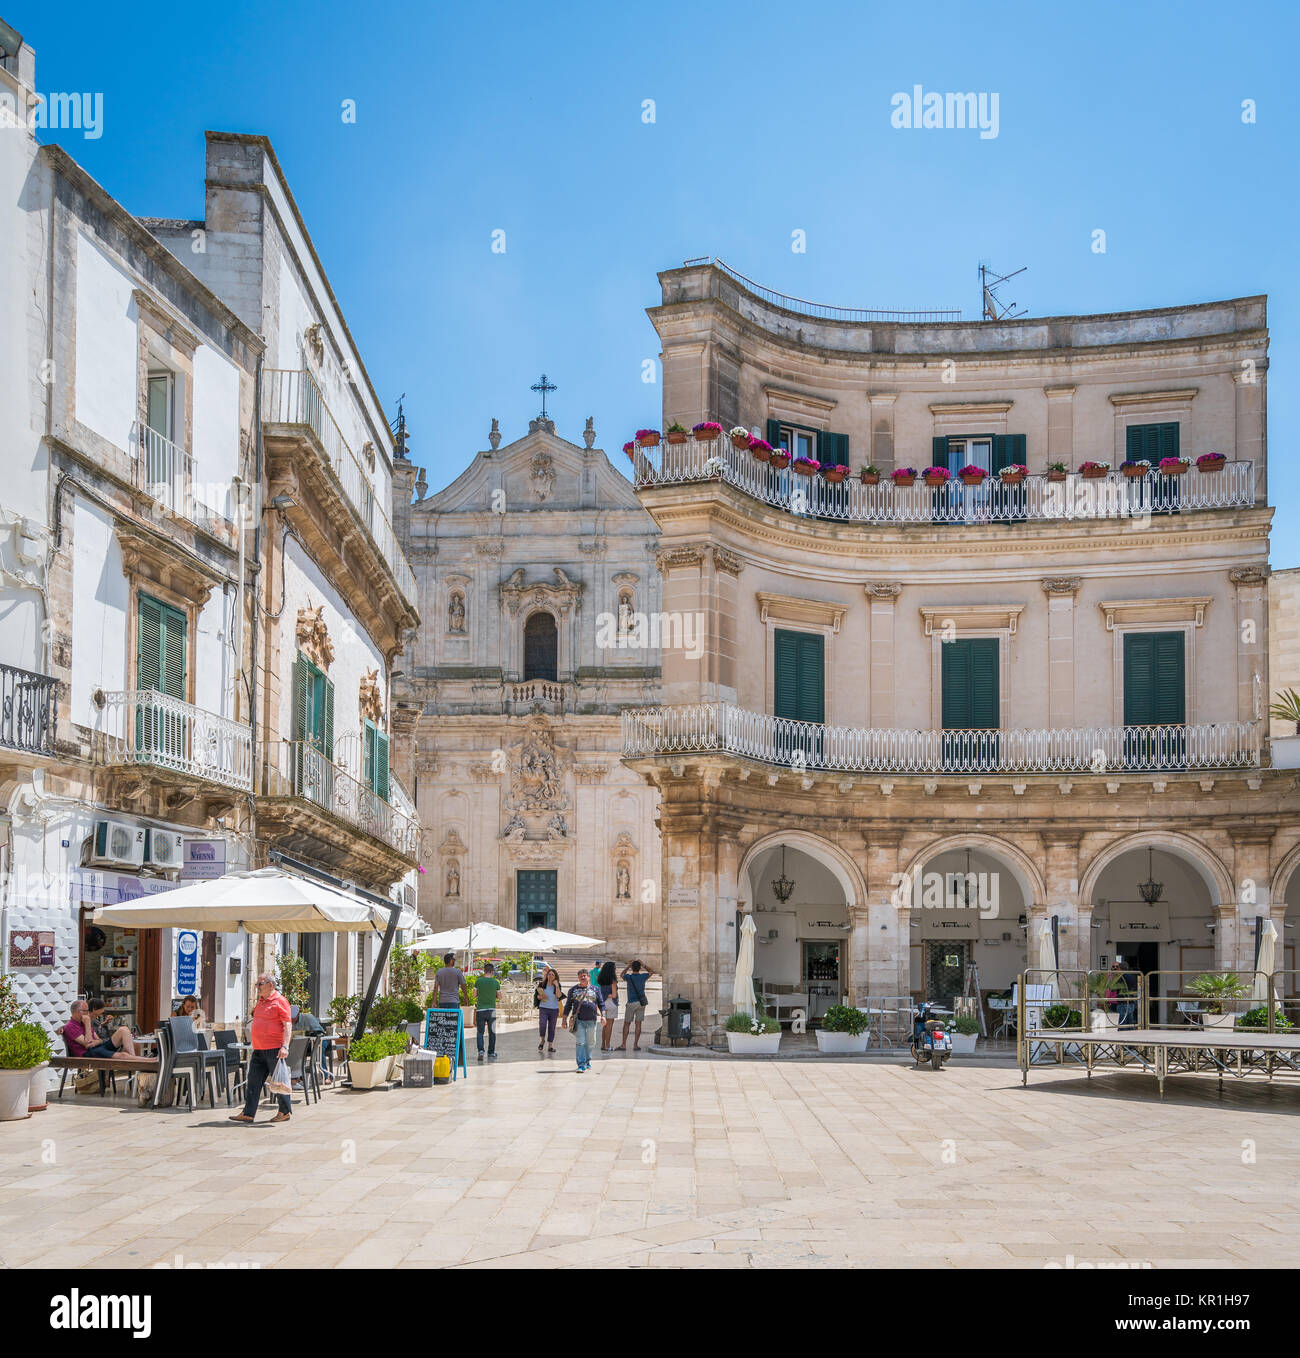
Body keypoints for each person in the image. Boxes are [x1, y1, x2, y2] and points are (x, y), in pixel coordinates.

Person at [229, 972, 292, 1125]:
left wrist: (285, 1046)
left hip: (274, 1049)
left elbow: (288, 1025)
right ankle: (248, 1113)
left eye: (260, 984)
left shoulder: (280, 1001)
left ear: (270, 985)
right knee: (253, 1081)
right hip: (259, 1049)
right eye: (257, 984)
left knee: (278, 1082)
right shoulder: (261, 1001)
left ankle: (284, 1111)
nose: (257, 987)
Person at [63, 999, 138, 1059]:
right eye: (97, 1014)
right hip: (93, 1051)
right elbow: (88, 1043)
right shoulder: (86, 1021)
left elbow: (98, 1039)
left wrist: (98, 1040)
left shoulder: (88, 1021)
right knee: (124, 1054)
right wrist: (88, 1024)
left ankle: (134, 1061)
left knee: (124, 1030)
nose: (99, 1016)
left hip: (100, 1045)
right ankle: (137, 1063)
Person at [563, 969, 603, 1073]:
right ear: (578, 978)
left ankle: (587, 1060)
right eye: (581, 976)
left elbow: (601, 1003)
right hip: (579, 1020)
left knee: (591, 1042)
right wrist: (564, 1019)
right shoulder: (573, 990)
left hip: (592, 1020)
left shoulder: (596, 989)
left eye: (585, 976)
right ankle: (581, 1064)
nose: (583, 977)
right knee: (580, 1042)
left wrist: (603, 1016)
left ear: (589, 977)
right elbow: (568, 1006)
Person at [618, 960, 656, 1051]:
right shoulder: (643, 976)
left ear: (632, 968)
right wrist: (644, 964)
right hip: (641, 1003)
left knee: (627, 1024)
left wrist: (628, 966)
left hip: (631, 1002)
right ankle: (635, 1045)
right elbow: (651, 972)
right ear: (639, 968)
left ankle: (623, 1044)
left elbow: (621, 975)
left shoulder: (628, 977)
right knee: (638, 1024)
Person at [474, 961, 500, 1062]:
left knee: (480, 1032)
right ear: (492, 971)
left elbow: (474, 995)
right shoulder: (496, 983)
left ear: (484, 971)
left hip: (480, 1010)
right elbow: (499, 996)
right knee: (492, 1032)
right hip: (492, 1010)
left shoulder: (478, 981)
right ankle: (491, 1052)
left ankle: (481, 1051)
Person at [536, 966, 562, 1053]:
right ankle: (542, 1040)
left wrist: (557, 985)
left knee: (552, 1028)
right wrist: (540, 997)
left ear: (555, 977)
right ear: (547, 975)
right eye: (549, 974)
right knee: (542, 1025)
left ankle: (550, 1045)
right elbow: (537, 996)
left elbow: (558, 996)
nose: (550, 976)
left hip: (554, 1009)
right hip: (543, 1008)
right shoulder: (542, 984)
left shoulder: (557, 986)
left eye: (552, 975)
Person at [597, 960, 618, 1051]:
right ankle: (608, 1045)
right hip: (611, 1003)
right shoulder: (613, 980)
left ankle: (602, 1044)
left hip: (603, 1004)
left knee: (604, 1025)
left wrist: (603, 995)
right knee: (609, 1025)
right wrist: (607, 995)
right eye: (614, 967)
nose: (616, 968)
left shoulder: (601, 979)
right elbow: (614, 995)